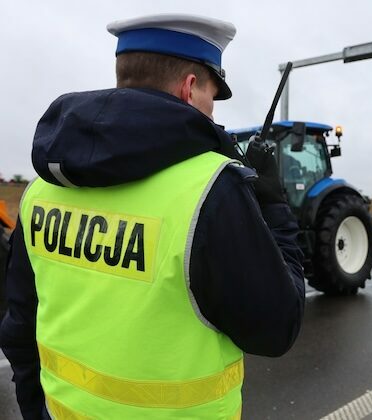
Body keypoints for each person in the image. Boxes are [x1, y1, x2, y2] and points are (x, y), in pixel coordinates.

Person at [0, 14, 304, 419]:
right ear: (190, 87)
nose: (212, 114)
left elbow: (19, 326)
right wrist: (276, 209)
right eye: (212, 96)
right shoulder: (210, 191)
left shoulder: (41, 190)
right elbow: (277, 328)